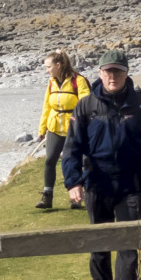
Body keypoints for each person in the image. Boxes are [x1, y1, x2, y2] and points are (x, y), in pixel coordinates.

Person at [62, 50, 141, 280]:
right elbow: (72, 148)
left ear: (126, 73)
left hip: (131, 185)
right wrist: (73, 182)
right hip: (97, 183)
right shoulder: (86, 106)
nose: (113, 76)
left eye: (118, 71)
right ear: (100, 74)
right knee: (98, 242)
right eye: (108, 72)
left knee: (127, 242)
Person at [35, 49, 91, 209]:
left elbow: (86, 105)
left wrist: (83, 126)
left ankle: (78, 197)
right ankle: (47, 197)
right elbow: (47, 105)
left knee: (78, 161)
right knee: (50, 160)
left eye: (48, 67)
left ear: (58, 65)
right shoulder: (51, 82)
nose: (47, 70)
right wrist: (42, 128)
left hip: (73, 128)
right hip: (54, 127)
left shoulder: (78, 81)